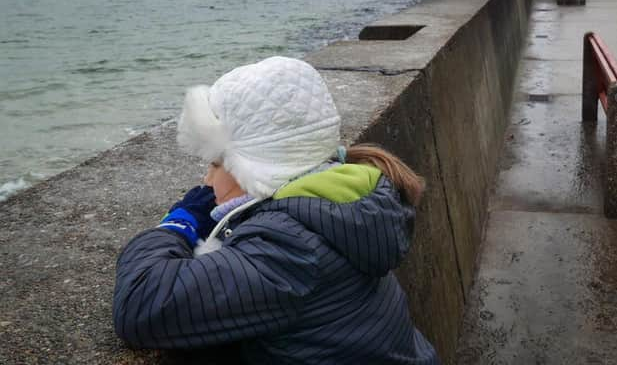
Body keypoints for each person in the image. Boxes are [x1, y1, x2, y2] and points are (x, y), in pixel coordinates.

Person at [112, 56, 439, 364]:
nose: (206, 179)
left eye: (215, 164)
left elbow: (141, 305)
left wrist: (176, 225)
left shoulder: (290, 247)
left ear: (259, 167)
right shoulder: (342, 202)